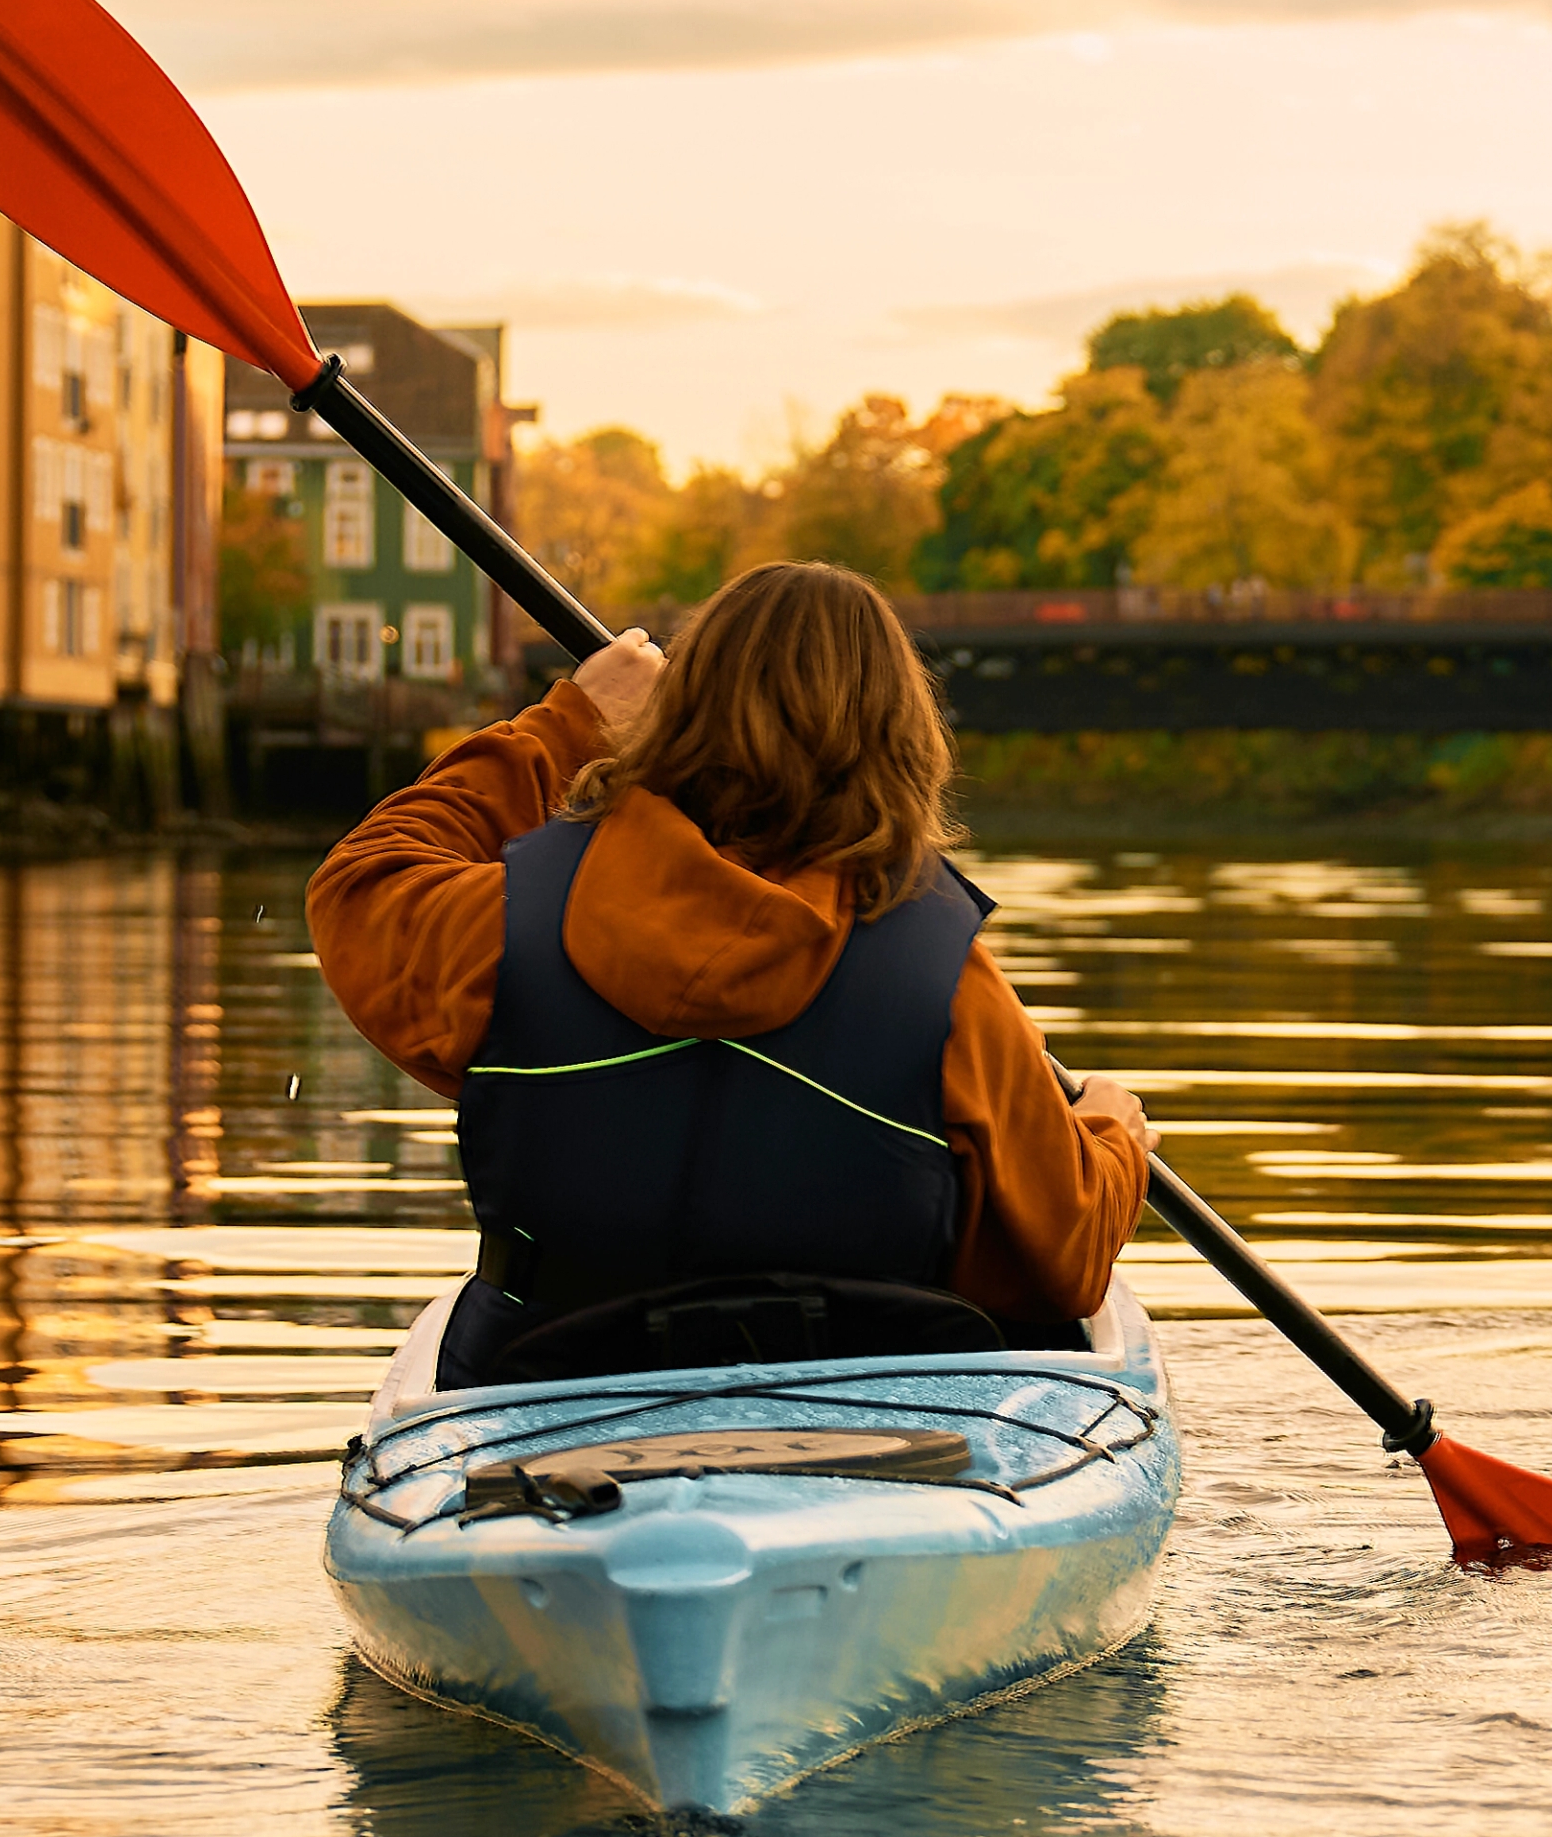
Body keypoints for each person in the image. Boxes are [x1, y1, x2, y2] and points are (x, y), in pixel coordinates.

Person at [309, 559, 1156, 1384]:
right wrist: (1113, 1136)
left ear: (672, 720)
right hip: (875, 1419)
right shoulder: (951, 990)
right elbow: (1067, 1265)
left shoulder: (506, 928)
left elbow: (362, 879)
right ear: (903, 745)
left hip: (552, 1401)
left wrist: (569, 721)